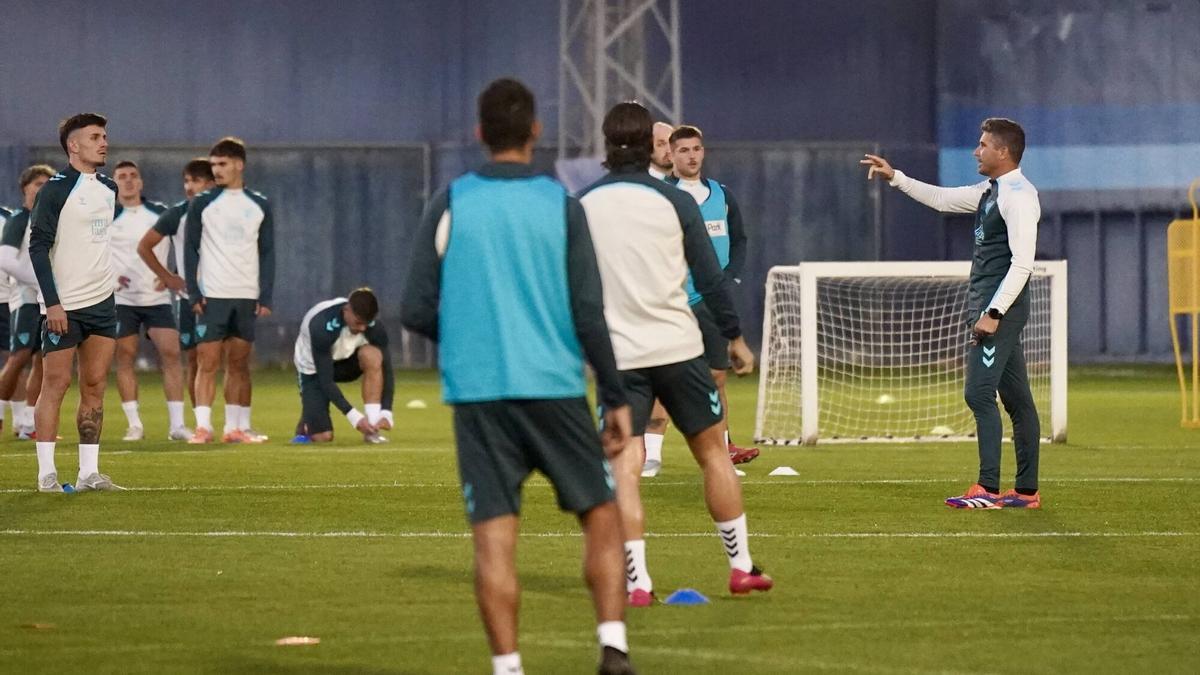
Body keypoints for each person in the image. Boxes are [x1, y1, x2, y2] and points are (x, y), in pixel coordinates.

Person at [401, 78, 636, 675]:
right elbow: (588, 311)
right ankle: (613, 648)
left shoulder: (451, 201)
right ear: (535, 131)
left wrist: (473, 341)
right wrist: (615, 397)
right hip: (553, 388)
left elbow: (416, 308)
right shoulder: (561, 205)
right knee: (602, 516)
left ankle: (508, 667)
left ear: (479, 134)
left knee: (494, 538)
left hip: (481, 397)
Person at [579, 102, 774, 607]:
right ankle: (741, 567)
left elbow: (572, 286)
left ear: (606, 144)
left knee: (624, 462)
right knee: (713, 453)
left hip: (621, 354)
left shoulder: (582, 204)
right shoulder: (675, 201)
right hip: (678, 345)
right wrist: (734, 335)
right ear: (652, 145)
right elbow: (708, 276)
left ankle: (637, 581)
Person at [861, 117, 1042, 509]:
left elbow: (1023, 263)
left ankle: (988, 489)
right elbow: (942, 199)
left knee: (977, 393)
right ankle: (1026, 492)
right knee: (1018, 402)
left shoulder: (1019, 196)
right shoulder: (990, 191)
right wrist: (897, 177)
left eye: (982, 145)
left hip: (998, 311)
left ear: (1003, 152)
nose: (976, 151)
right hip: (990, 307)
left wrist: (993, 311)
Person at [28, 113, 122, 492]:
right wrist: (52, 304)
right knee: (55, 385)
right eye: (95, 137)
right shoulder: (54, 189)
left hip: (103, 304)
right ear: (74, 145)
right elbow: (38, 248)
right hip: (63, 306)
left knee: (95, 385)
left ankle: (89, 473)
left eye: (104, 136)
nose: (104, 142)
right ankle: (46, 473)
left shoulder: (109, 188)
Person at [667, 125, 759, 466]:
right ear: (671, 156)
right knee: (662, 376)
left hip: (712, 299)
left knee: (717, 375)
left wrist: (731, 276)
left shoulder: (721, 194)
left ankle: (723, 447)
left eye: (696, 149)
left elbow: (740, 238)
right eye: (684, 150)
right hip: (675, 299)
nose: (691, 155)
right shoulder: (664, 194)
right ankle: (646, 452)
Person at [184, 137, 275, 444]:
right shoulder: (203, 204)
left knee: (238, 364)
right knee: (207, 362)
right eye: (213, 165)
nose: (216, 170)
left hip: (246, 294)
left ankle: (233, 428)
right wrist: (194, 293)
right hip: (214, 294)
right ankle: (203, 427)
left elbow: (268, 252)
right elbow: (190, 250)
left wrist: (266, 295)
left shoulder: (260, 204)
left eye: (222, 164)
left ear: (239, 164)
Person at [109, 160, 189, 441]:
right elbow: (91, 252)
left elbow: (184, 245)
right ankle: (135, 424)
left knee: (171, 353)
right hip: (121, 300)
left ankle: (177, 425)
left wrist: (171, 275)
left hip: (156, 298)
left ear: (141, 182)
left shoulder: (159, 213)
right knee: (125, 356)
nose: (128, 181)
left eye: (133, 176)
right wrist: (110, 278)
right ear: (114, 182)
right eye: (122, 176)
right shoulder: (106, 216)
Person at [137, 158, 216, 419]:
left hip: (224, 294)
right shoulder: (178, 213)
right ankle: (200, 421)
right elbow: (145, 246)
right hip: (190, 298)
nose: (189, 186)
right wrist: (168, 276)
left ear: (212, 183)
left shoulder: (224, 212)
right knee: (195, 359)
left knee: (224, 360)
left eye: (196, 180)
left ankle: (235, 423)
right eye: (186, 180)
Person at [292, 288, 393, 443]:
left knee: (372, 355)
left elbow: (387, 368)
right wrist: (355, 418)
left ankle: (372, 430)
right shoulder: (322, 326)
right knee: (323, 437)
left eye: (366, 324)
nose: (362, 329)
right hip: (314, 371)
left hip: (345, 363)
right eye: (358, 323)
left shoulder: (373, 326)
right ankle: (308, 419)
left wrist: (386, 411)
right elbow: (325, 380)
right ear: (346, 310)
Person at [0, 166, 55, 441]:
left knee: (43, 362)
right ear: (25, 187)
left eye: (47, 184)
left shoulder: (51, 220)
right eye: (37, 183)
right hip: (25, 298)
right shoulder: (19, 219)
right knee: (18, 357)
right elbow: (6, 259)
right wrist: (39, 281)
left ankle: (29, 424)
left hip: (49, 300)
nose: (42, 188)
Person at [639, 122, 676, 478]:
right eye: (661, 143)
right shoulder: (639, 187)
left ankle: (653, 452)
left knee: (668, 375)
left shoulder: (693, 190)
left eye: (672, 142)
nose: (670, 149)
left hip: (677, 297)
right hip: (637, 294)